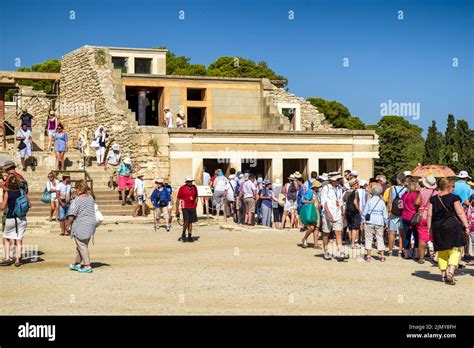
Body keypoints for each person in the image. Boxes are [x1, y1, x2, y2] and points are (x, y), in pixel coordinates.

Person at [427, 178, 469, 284]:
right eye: (453, 186)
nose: (454, 188)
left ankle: (443, 275)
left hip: (437, 227)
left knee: (441, 251)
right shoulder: (454, 198)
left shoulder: (433, 199)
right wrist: (466, 226)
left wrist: (429, 228)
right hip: (452, 227)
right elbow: (460, 213)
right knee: (455, 250)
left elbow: (429, 214)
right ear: (448, 187)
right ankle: (450, 272)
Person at [67, 180, 96, 273]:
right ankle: (77, 263)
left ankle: (87, 265)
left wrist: (67, 224)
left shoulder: (77, 200)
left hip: (81, 224)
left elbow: (72, 215)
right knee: (81, 245)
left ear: (79, 188)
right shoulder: (91, 198)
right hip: (91, 223)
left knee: (82, 245)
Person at [1, 175, 31, 267]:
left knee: (6, 238)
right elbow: (29, 204)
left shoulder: (7, 193)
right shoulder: (22, 192)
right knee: (19, 240)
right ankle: (18, 260)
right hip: (22, 218)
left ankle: (7, 258)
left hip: (10, 218)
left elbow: (2, 207)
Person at [320, 173, 347, 261]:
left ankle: (340, 251)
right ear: (332, 180)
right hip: (327, 214)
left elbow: (340, 201)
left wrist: (343, 212)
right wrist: (328, 213)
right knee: (326, 233)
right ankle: (326, 251)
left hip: (337, 213)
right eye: (337, 179)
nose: (339, 181)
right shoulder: (326, 188)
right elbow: (324, 202)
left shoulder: (339, 188)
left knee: (338, 232)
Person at [361, 185, 388, 262]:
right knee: (380, 238)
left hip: (369, 221)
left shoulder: (369, 201)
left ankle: (369, 255)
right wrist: (386, 223)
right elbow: (385, 214)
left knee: (368, 238)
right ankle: (382, 256)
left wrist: (362, 221)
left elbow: (365, 212)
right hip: (379, 221)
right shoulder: (382, 202)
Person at [416, 176, 438, 264]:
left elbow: (416, 203)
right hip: (434, 217)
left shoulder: (422, 191)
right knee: (436, 237)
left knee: (422, 238)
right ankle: (436, 257)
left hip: (423, 216)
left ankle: (421, 258)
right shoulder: (437, 193)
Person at [401, 177, 421, 259]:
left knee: (407, 236)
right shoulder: (416, 195)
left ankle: (406, 254)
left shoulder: (403, 195)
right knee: (416, 235)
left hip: (405, 216)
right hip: (414, 217)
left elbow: (400, 207)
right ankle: (416, 254)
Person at [176, 177, 198, 242]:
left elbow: (196, 196)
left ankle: (189, 235)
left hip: (192, 207)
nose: (190, 182)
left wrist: (195, 204)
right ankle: (183, 233)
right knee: (186, 221)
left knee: (190, 222)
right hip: (185, 206)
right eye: (189, 181)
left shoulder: (194, 188)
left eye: (191, 181)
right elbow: (178, 199)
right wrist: (177, 209)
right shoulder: (182, 188)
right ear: (186, 182)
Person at [301, 180, 322, 249]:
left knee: (317, 228)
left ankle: (315, 244)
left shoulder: (316, 193)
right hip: (311, 211)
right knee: (312, 227)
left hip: (317, 211)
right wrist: (311, 202)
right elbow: (303, 200)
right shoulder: (310, 191)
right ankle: (304, 238)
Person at [343, 178, 361, 249]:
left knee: (350, 227)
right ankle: (353, 244)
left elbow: (343, 200)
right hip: (354, 212)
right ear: (355, 184)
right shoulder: (356, 192)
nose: (358, 185)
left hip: (348, 211)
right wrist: (359, 210)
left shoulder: (347, 192)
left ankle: (351, 242)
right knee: (354, 228)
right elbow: (355, 202)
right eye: (357, 183)